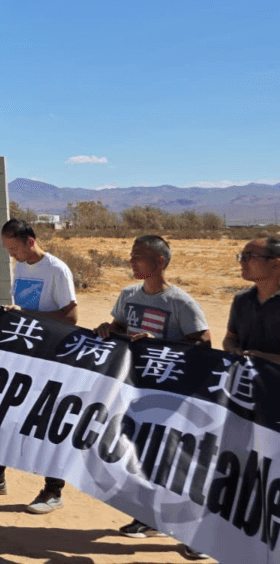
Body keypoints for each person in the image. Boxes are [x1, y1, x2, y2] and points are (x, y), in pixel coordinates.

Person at [94, 235, 210, 558]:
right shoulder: (128, 295)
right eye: (131, 256)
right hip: (135, 392)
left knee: (177, 463)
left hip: (171, 396)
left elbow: (203, 345)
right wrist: (108, 328)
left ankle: (197, 532)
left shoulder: (181, 303)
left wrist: (160, 345)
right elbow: (119, 326)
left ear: (160, 261)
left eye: (139, 257)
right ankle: (148, 518)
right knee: (144, 458)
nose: (131, 262)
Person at [0, 218, 77, 513]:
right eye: (8, 250)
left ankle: (53, 491)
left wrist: (30, 315)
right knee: (4, 413)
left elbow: (72, 318)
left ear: (30, 242)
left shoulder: (56, 270)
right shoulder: (21, 267)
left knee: (46, 422)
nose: (12, 256)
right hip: (20, 354)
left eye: (14, 249)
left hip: (49, 357)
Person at [224, 236, 280, 365]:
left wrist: (264, 359)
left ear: (276, 264)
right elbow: (230, 339)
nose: (241, 262)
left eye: (249, 257)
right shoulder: (241, 299)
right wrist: (233, 350)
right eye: (241, 257)